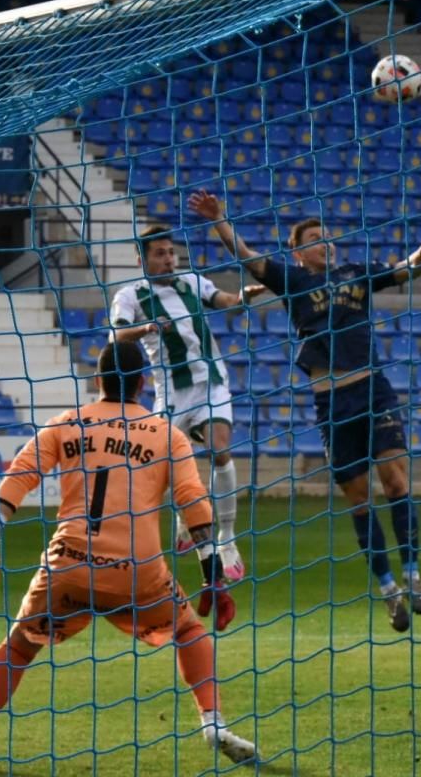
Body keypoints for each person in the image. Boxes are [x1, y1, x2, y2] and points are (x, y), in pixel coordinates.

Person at [0, 341, 256, 771]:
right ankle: (212, 723)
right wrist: (213, 576)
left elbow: (19, 477)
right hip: (137, 573)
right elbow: (194, 503)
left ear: (97, 381)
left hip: (69, 565)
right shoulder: (167, 434)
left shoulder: (66, 423)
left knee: (19, 648)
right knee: (189, 630)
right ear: (143, 383)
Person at [188, 189, 421, 632]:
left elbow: (405, 271)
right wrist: (219, 220)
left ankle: (413, 575)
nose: (325, 244)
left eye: (327, 237)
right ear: (298, 250)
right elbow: (248, 257)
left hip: (373, 390)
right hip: (332, 403)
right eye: (314, 238)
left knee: (397, 481)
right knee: (360, 501)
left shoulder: (356, 273)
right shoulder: (293, 281)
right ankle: (389, 591)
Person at [108, 224, 263, 581]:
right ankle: (182, 518)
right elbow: (117, 335)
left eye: (170, 252)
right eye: (159, 254)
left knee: (220, 449)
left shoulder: (191, 281)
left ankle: (226, 538)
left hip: (211, 383)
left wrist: (241, 297)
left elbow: (221, 300)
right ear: (142, 260)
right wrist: (147, 328)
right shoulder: (130, 295)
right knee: (164, 470)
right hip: (172, 395)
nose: (168, 259)